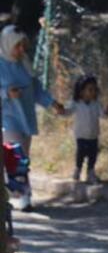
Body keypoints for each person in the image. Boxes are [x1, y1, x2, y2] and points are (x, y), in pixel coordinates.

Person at [0, 25, 64, 210]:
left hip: (25, 119)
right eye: (17, 46)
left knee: (22, 158)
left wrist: (52, 103)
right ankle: (22, 196)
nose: (21, 50)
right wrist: (6, 93)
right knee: (16, 156)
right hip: (7, 118)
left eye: (23, 46)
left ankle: (17, 191)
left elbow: (37, 90)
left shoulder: (25, 63)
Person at [63, 75, 108, 183]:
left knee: (93, 154)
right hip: (81, 135)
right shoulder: (76, 103)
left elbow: (103, 116)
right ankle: (78, 169)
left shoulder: (96, 104)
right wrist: (61, 110)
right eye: (90, 89)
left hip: (93, 135)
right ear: (81, 91)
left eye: (95, 89)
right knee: (81, 153)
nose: (93, 92)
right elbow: (67, 112)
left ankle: (91, 172)